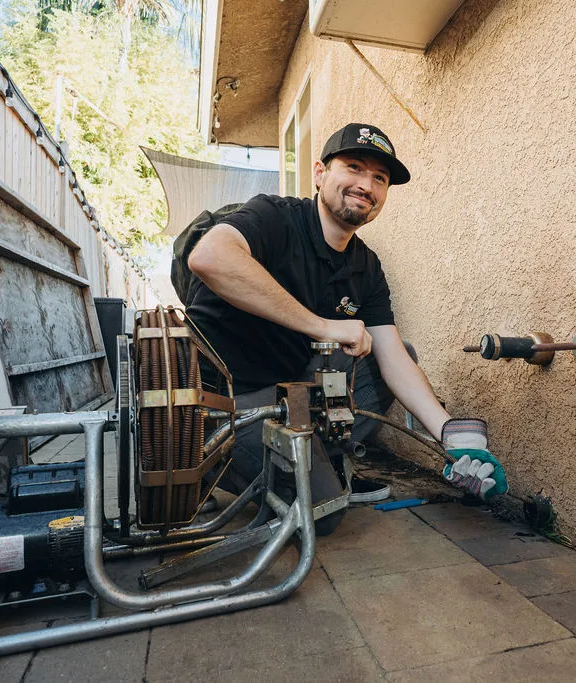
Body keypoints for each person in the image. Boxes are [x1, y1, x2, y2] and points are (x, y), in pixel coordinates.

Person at [185, 123, 495, 533]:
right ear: (319, 173)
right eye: (353, 167)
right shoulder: (275, 217)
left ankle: (322, 457)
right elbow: (208, 257)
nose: (366, 185)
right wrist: (322, 326)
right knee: (325, 515)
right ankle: (208, 465)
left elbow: (394, 359)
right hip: (226, 403)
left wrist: (449, 434)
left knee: (396, 357)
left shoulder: (366, 267)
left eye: (379, 179)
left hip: (289, 397)